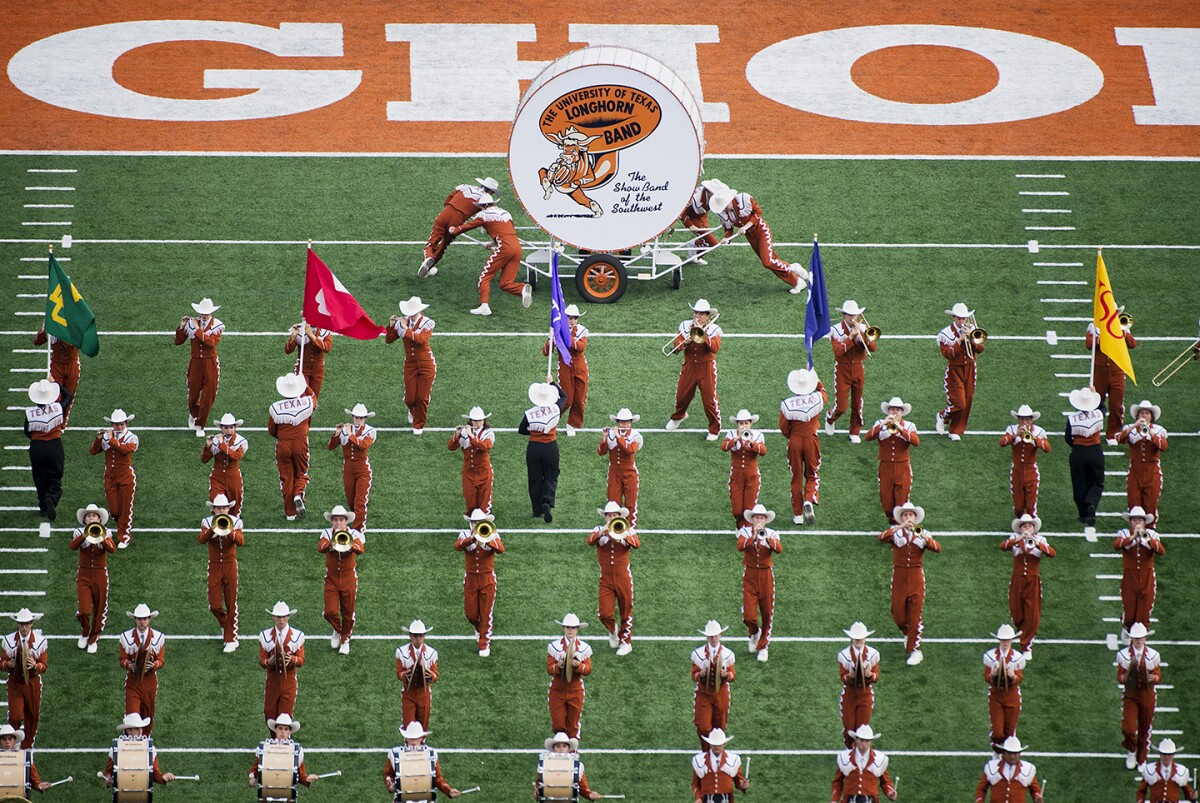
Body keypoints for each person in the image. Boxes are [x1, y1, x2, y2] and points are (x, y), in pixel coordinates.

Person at [708, 186, 808, 293]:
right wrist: (726, 238)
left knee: (767, 262)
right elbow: (728, 229)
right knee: (773, 262)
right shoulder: (723, 213)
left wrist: (745, 227)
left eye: (726, 205)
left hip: (762, 232)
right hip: (752, 238)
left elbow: (758, 212)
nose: (725, 208)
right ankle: (797, 282)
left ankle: (793, 267)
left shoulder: (743, 200)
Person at [879, 501, 941, 666]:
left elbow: (937, 548)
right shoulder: (896, 533)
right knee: (897, 612)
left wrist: (919, 533)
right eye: (905, 515)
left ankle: (916, 650)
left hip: (916, 577)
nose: (908, 517)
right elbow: (881, 538)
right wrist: (899, 527)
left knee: (915, 613)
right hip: (899, 576)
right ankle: (909, 634)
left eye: (910, 515)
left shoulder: (921, 531)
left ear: (916, 518)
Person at [451, 201, 532, 316]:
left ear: (484, 205)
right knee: (505, 283)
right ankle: (522, 289)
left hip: (504, 248)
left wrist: (455, 230)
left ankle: (484, 305)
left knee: (485, 277)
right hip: (517, 248)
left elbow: (469, 225)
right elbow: (505, 232)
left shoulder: (484, 215)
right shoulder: (505, 213)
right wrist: (493, 243)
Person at [587, 502, 640, 656]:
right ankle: (612, 630)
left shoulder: (627, 529)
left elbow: (637, 544)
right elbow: (589, 541)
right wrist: (603, 532)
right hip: (606, 579)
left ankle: (626, 642)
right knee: (603, 613)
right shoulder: (598, 529)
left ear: (619, 516)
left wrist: (623, 536)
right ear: (605, 517)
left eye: (614, 515)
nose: (611, 518)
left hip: (623, 577)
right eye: (609, 515)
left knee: (626, 610)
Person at [419, 177, 499, 278]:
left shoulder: (465, 187)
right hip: (457, 221)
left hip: (445, 214)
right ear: (491, 191)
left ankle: (428, 258)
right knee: (444, 245)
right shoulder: (485, 198)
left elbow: (447, 200)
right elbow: (487, 214)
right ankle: (429, 264)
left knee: (433, 240)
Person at [1000, 515, 1055, 658]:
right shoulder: (1014, 537)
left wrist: (1037, 544)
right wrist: (1018, 539)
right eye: (1024, 526)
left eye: (1029, 526)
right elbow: (1003, 546)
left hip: (1033, 580)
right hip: (1017, 579)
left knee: (1032, 613)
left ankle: (1027, 646)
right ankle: (1022, 632)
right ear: (1020, 528)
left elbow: (1052, 553)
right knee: (1016, 611)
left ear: (1034, 528)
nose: (1026, 528)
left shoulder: (1040, 539)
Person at [666, 299, 722, 439]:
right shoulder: (685, 325)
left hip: (706, 367)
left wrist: (703, 334)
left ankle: (714, 429)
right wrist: (685, 342)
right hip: (689, 365)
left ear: (707, 316)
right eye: (696, 312)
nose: (698, 316)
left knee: (709, 400)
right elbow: (677, 346)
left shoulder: (715, 329)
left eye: (702, 314)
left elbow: (715, 348)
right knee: (682, 395)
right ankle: (679, 416)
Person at [454, 509, 505, 657]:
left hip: (487, 579)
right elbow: (457, 546)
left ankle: (484, 643)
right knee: (471, 614)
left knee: (486, 613)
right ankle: (478, 627)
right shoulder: (465, 535)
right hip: (470, 579)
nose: (475, 524)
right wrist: (472, 539)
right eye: (473, 522)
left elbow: (501, 549)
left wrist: (487, 539)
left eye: (478, 522)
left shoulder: (492, 533)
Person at [825, 300, 877, 443]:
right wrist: (851, 337)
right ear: (844, 315)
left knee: (857, 402)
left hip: (859, 368)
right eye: (849, 315)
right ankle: (830, 418)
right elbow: (838, 352)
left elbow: (873, 348)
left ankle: (855, 430)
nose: (853, 318)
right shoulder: (835, 330)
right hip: (842, 368)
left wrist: (863, 336)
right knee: (841, 406)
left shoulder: (863, 327)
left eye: (854, 315)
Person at [780, 368, 827, 525]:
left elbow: (784, 428)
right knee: (812, 474)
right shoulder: (817, 398)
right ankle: (809, 498)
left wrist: (793, 437)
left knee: (796, 477)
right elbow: (823, 391)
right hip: (811, 440)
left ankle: (798, 515)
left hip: (795, 441)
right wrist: (814, 373)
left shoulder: (787, 404)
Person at [198, 493, 243, 652]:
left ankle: (231, 638)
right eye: (218, 508)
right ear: (214, 509)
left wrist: (228, 529)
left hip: (230, 565)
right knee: (214, 604)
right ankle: (226, 625)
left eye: (224, 507)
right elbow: (201, 539)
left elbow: (240, 541)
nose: (221, 510)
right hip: (215, 565)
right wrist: (213, 529)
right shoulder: (207, 522)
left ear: (228, 509)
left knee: (231, 601)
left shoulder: (236, 521)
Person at [864, 397, 920, 525]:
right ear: (888, 411)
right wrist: (883, 424)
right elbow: (867, 437)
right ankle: (893, 524)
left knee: (902, 501)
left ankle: (899, 529)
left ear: (902, 412)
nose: (895, 412)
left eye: (898, 410)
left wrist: (900, 428)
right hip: (886, 467)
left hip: (903, 467)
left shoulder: (910, 425)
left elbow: (916, 442)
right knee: (887, 502)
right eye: (892, 410)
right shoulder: (880, 423)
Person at [269, 373, 316, 521]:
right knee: (302, 472)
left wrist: (283, 437)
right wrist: (305, 385)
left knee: (286, 477)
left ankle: (290, 513)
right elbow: (314, 398)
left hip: (283, 443)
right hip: (301, 442)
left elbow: (272, 429)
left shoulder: (275, 407)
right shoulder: (307, 402)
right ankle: (299, 493)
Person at [736, 504, 780, 663]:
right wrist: (753, 537)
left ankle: (763, 647)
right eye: (756, 517)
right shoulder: (745, 532)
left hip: (766, 575)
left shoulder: (772, 533)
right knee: (749, 614)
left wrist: (766, 538)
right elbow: (740, 546)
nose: (759, 520)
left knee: (767, 613)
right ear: (752, 519)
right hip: (750, 575)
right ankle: (754, 632)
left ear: (765, 520)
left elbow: (779, 549)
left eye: (761, 518)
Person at [89, 408, 139, 548]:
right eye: (116, 424)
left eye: (121, 424)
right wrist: (98, 439)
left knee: (125, 508)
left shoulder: (132, 437)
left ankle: (124, 536)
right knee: (114, 510)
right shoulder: (107, 437)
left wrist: (110, 439)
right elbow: (93, 451)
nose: (119, 427)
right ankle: (123, 526)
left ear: (126, 423)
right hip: (110, 476)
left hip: (126, 476)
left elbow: (124, 450)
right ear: (112, 425)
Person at [319, 505, 365, 655]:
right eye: (335, 520)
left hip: (348, 578)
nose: (338, 523)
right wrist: (333, 542)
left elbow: (360, 549)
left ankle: (345, 640)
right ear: (332, 522)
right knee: (329, 611)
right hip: (331, 578)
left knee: (348, 612)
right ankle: (338, 630)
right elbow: (321, 547)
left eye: (341, 520)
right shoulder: (326, 533)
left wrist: (348, 543)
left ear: (346, 522)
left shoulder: (354, 533)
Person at [387, 296, 437, 434]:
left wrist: (405, 327)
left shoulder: (428, 323)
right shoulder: (403, 322)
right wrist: (391, 325)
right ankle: (412, 411)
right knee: (409, 398)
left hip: (427, 364)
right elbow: (389, 339)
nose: (412, 314)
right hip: (410, 363)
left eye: (414, 311)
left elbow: (421, 340)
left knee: (422, 397)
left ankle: (418, 425)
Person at [174, 297, 223, 436]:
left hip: (211, 363)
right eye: (202, 312)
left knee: (209, 396)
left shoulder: (217, 325)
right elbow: (178, 341)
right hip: (195, 362)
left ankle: (200, 425)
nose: (204, 315)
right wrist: (182, 326)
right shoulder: (191, 323)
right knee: (193, 394)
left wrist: (196, 329)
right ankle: (193, 414)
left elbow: (211, 343)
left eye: (206, 312)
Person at [24, 379, 70, 527]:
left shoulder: (30, 413)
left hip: (37, 447)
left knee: (39, 476)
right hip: (54, 445)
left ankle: (43, 507)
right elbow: (68, 396)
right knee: (55, 475)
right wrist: (55, 383)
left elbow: (27, 431)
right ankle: (52, 497)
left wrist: (37, 440)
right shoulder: (57, 408)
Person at [70, 503, 115, 653]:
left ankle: (94, 638)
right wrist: (85, 535)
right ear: (85, 520)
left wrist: (101, 537)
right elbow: (72, 546)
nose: (91, 518)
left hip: (100, 574)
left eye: (94, 515)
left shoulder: (106, 532)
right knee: (84, 609)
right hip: (84, 574)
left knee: (100, 607)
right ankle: (85, 631)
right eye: (88, 516)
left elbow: (112, 549)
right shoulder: (78, 531)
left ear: (99, 519)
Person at [1086, 311, 1137, 443]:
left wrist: (1123, 332)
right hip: (1100, 371)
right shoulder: (1094, 326)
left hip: (1117, 371)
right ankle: (1093, 430)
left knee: (1116, 404)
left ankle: (1112, 433)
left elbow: (1132, 344)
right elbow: (1088, 344)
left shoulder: (1121, 327)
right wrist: (1102, 337)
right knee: (1095, 401)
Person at [936, 302, 984, 441]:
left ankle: (955, 430)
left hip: (970, 367)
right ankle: (942, 416)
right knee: (959, 403)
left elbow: (980, 349)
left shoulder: (973, 329)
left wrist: (971, 339)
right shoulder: (945, 334)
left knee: (968, 400)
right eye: (959, 318)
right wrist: (960, 340)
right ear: (953, 318)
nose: (962, 321)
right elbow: (948, 354)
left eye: (964, 318)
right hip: (955, 370)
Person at [1114, 507, 1164, 639]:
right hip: (1130, 575)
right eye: (1134, 519)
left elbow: (1160, 550)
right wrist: (1132, 537)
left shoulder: (1151, 534)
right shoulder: (1124, 533)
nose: (1137, 522)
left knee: (1145, 610)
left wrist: (1143, 536)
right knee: (1130, 610)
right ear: (1130, 522)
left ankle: (1140, 638)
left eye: (1140, 520)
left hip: (1147, 575)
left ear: (1144, 522)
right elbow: (1117, 545)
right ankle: (1127, 626)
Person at [1117, 622, 1161, 769]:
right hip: (1131, 694)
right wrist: (1126, 676)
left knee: (1144, 727)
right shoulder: (1123, 654)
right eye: (1135, 637)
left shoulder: (1153, 655)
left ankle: (1142, 759)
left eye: (1141, 637)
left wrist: (1154, 678)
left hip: (1147, 694)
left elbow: (1158, 676)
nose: (1138, 640)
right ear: (1131, 638)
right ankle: (1131, 750)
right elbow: (1119, 677)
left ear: (1145, 638)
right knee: (1128, 728)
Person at [520, 382, 565, 523]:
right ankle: (547, 500)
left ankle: (536, 509)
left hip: (534, 448)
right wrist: (553, 383)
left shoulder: (530, 414)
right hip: (550, 447)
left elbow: (521, 430)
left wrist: (535, 431)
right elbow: (564, 397)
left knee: (534, 478)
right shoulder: (556, 409)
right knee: (551, 476)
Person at [1, 609, 46, 749]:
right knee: (15, 716)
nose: (24, 628)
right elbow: (1, 662)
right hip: (15, 683)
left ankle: (27, 747)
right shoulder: (8, 641)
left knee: (32, 716)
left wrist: (35, 666)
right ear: (17, 624)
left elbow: (44, 665)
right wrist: (7, 665)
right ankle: (11, 744)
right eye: (21, 624)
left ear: (32, 623)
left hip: (32, 683)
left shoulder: (40, 642)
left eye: (27, 624)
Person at [1119, 400, 1168, 523]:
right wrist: (1134, 426)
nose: (1144, 415)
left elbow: (1164, 446)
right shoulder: (1130, 428)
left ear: (1151, 416)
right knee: (1134, 506)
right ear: (1137, 416)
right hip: (1135, 473)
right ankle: (1135, 534)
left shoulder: (1158, 429)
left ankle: (1149, 535)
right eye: (1141, 413)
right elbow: (1120, 438)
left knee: (1150, 506)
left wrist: (1151, 433)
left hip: (1152, 474)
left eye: (1147, 413)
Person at [328, 404, 376, 529]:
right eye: (356, 417)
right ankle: (354, 524)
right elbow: (330, 447)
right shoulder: (345, 430)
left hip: (363, 470)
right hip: (348, 469)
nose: (358, 420)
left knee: (359, 503)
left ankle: (359, 530)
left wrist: (350, 435)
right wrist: (337, 434)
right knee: (351, 502)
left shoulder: (370, 431)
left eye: (361, 418)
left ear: (365, 418)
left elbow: (363, 445)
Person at [543, 304, 589, 435]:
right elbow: (546, 352)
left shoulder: (582, 330)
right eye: (570, 318)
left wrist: (566, 338)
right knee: (566, 399)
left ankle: (572, 424)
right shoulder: (556, 331)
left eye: (575, 318)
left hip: (580, 367)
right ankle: (552, 421)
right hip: (564, 367)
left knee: (580, 399)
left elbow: (581, 347)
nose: (573, 321)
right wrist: (550, 338)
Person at [385, 722, 462, 799]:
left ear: (422, 738)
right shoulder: (394, 753)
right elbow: (388, 774)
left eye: (417, 738)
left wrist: (449, 790)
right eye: (411, 738)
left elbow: (437, 778)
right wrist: (391, 785)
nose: (414, 741)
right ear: (406, 738)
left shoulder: (431, 753)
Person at [259, 601, 306, 726]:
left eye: (284, 616)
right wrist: (268, 662)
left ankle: (284, 743)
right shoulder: (265, 636)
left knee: (284, 719)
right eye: (279, 617)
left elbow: (301, 660)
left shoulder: (297, 635)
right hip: (272, 680)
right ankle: (275, 743)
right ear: (274, 617)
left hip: (289, 681)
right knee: (269, 714)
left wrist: (292, 660)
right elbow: (262, 661)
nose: (281, 620)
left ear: (289, 617)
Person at [1065, 386, 1105, 535]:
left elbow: (1068, 438)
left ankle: (1083, 513)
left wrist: (1077, 447)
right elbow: (1103, 408)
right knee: (1097, 481)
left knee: (1079, 483)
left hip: (1078, 453)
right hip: (1095, 451)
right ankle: (1091, 503)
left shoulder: (1072, 419)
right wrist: (1096, 393)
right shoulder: (1099, 414)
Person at [119, 603, 165, 733]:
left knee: (147, 714)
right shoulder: (125, 637)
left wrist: (154, 665)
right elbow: (122, 660)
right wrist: (128, 664)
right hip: (133, 682)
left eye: (145, 618)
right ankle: (130, 743)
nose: (142, 622)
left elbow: (161, 660)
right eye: (139, 619)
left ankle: (145, 743)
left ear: (149, 619)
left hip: (150, 682)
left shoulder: (159, 637)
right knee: (132, 717)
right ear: (134, 619)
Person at [547, 613, 593, 740]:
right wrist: (559, 666)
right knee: (558, 725)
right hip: (557, 689)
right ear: (563, 628)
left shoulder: (584, 648)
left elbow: (588, 670)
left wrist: (578, 666)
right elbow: (550, 669)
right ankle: (560, 755)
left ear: (578, 629)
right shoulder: (554, 646)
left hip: (576, 690)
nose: (570, 630)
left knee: (573, 725)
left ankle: (573, 755)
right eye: (568, 627)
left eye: (573, 627)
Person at [998, 405, 1050, 517]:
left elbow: (1047, 448)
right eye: (1022, 419)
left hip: (1031, 471)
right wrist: (1016, 435)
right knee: (1018, 507)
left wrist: (1034, 438)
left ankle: (1033, 530)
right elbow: (1002, 442)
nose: (1024, 422)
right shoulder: (1011, 429)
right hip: (1017, 471)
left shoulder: (1039, 431)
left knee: (1031, 506)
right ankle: (1021, 529)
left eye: (1027, 419)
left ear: (1031, 420)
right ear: (1018, 419)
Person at [691, 620, 736, 747]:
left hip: (721, 693)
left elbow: (733, 676)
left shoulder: (727, 654)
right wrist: (701, 675)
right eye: (711, 636)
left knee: (719, 728)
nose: (714, 638)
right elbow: (693, 675)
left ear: (720, 635)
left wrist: (726, 675)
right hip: (703, 693)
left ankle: (716, 754)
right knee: (703, 727)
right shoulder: (698, 654)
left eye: (716, 635)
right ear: (707, 637)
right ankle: (706, 755)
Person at [102, 713, 177, 789]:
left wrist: (164, 777)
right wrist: (108, 779)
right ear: (128, 730)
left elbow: (154, 774)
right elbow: (108, 772)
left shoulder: (150, 749)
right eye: (137, 728)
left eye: (141, 728)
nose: (140, 731)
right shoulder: (116, 749)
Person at [983, 624, 1026, 753]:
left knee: (1010, 730)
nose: (1005, 643)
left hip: (1012, 697)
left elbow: (1020, 677)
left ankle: (1006, 756)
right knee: (997, 731)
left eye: (1008, 640)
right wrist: (993, 675)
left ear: (1012, 640)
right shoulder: (990, 656)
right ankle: (996, 753)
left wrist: (1013, 677)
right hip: (996, 696)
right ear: (999, 640)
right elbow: (986, 676)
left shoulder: (1017, 657)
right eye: (1003, 640)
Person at [720, 410, 766, 529]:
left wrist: (752, 443)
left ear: (750, 424)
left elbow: (763, 451)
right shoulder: (731, 434)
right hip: (736, 475)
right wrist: (737, 439)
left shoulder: (758, 435)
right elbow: (723, 447)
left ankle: (746, 532)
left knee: (749, 508)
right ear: (737, 424)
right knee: (737, 509)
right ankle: (740, 527)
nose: (744, 426)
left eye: (746, 423)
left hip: (752, 475)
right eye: (741, 423)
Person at [837, 622, 879, 748]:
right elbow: (842, 677)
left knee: (861, 729)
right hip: (849, 695)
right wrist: (850, 676)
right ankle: (851, 751)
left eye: (861, 638)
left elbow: (876, 676)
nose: (859, 640)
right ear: (851, 638)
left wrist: (869, 675)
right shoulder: (844, 655)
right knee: (849, 728)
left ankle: (856, 754)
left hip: (865, 695)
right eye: (856, 638)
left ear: (865, 638)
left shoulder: (873, 654)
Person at [249, 713, 318, 790]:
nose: (283, 732)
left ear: (290, 731)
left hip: (287, 791)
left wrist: (307, 778)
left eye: (286, 729)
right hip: (267, 789)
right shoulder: (265, 747)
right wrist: (252, 778)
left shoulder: (296, 750)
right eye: (280, 728)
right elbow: (255, 768)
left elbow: (301, 775)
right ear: (275, 729)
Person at [831, 724, 896, 802]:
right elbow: (838, 782)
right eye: (862, 740)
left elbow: (885, 781)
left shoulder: (879, 759)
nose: (864, 744)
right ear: (856, 740)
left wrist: (890, 792)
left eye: (867, 740)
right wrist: (834, 800)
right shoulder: (844, 758)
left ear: (871, 741)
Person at [599, 409, 642, 526]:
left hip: (630, 472)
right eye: (622, 422)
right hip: (614, 472)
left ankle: (630, 529)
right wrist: (604, 438)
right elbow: (601, 452)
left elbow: (629, 450)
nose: (625, 425)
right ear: (618, 423)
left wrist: (618, 436)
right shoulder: (611, 434)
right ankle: (614, 528)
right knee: (613, 502)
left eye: (627, 422)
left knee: (631, 502)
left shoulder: (636, 435)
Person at [449, 406, 494, 515]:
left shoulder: (488, 433)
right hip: (468, 472)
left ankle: (482, 526)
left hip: (484, 472)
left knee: (484, 503)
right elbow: (451, 447)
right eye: (475, 420)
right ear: (470, 421)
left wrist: (470, 435)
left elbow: (485, 447)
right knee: (470, 502)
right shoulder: (464, 432)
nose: (478, 423)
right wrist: (457, 435)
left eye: (480, 420)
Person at [202, 413, 248, 516]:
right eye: (226, 427)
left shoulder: (241, 441)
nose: (228, 430)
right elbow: (204, 460)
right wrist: (208, 446)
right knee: (218, 505)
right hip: (217, 477)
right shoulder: (214, 440)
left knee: (235, 506)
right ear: (221, 428)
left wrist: (222, 444)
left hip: (234, 477)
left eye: (231, 427)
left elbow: (236, 456)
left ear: (235, 427)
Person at [396, 620, 439, 729]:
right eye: (415, 636)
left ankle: (421, 745)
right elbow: (399, 673)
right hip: (408, 693)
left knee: (423, 726)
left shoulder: (432, 653)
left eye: (420, 636)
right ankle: (409, 745)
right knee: (408, 726)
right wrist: (405, 675)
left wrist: (431, 676)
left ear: (424, 636)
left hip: (424, 694)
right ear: (410, 636)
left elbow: (436, 675)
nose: (418, 639)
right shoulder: (401, 652)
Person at [536, 732, 603, 801]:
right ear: (554, 749)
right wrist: (537, 792)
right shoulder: (544, 765)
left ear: (568, 749)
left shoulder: (577, 766)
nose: (561, 749)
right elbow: (539, 787)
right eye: (558, 746)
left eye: (564, 746)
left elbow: (582, 788)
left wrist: (590, 794)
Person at [975, 735, 1043, 802]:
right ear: (1003, 753)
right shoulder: (991, 767)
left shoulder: (1028, 769)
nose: (1012, 756)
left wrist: (1037, 797)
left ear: (1019, 754)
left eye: (1015, 753)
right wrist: (979, 801)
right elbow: (981, 789)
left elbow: (1035, 790)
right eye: (1009, 753)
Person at [33, 321, 79, 418]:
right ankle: (52, 420)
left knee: (69, 397)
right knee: (54, 395)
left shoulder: (73, 326)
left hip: (72, 365)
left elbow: (71, 347)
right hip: (56, 365)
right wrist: (44, 328)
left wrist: (59, 332)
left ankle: (61, 424)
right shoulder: (52, 327)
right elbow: (37, 342)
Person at [691, 728, 749, 801]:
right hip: (706, 799)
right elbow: (695, 784)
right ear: (710, 744)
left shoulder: (734, 759)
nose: (717, 747)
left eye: (719, 745)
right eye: (714, 745)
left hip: (727, 799)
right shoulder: (699, 760)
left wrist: (742, 785)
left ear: (724, 744)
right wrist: (698, 797)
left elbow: (738, 781)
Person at [678, 178, 728, 264]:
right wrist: (690, 225)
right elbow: (681, 212)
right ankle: (693, 247)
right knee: (712, 243)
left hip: (702, 216)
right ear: (708, 191)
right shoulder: (694, 198)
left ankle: (695, 253)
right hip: (693, 218)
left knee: (705, 237)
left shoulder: (711, 196)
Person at [1137, 738, 1197, 802]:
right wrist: (1140, 800)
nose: (1167, 757)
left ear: (1174, 755)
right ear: (1160, 754)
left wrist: (1192, 796)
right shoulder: (1149, 769)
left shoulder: (1181, 771)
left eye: (1170, 754)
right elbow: (1141, 791)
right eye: (1164, 754)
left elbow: (1187, 791)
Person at [284, 322, 332, 400]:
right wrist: (293, 337)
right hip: (302, 368)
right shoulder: (299, 329)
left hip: (318, 369)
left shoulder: (325, 330)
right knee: (302, 397)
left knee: (314, 399)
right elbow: (288, 350)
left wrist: (312, 336)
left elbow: (327, 348)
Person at [0, 723, 50, 795]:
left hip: (19, 797)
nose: (7, 742)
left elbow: (34, 778)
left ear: (14, 741)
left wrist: (38, 785)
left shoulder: (24, 757)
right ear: (0, 742)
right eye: (4, 739)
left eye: (10, 739)